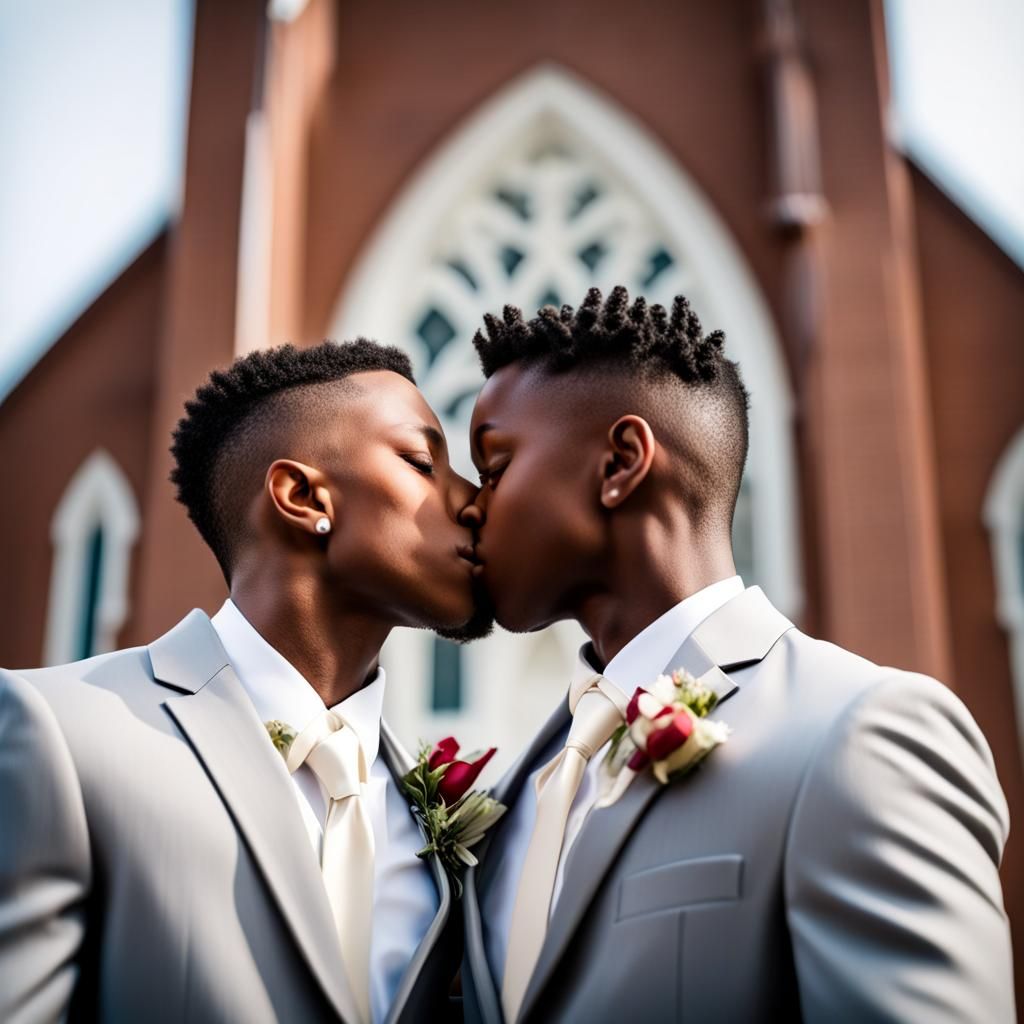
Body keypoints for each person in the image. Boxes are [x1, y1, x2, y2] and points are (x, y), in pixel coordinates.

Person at [456, 287, 1014, 1023]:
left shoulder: (863, 735)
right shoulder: (506, 799)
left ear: (620, 463)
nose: (470, 505)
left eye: (494, 468)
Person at [0, 339, 492, 1024]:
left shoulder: (445, 818)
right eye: (421, 462)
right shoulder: (59, 731)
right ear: (301, 495)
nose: (473, 501)